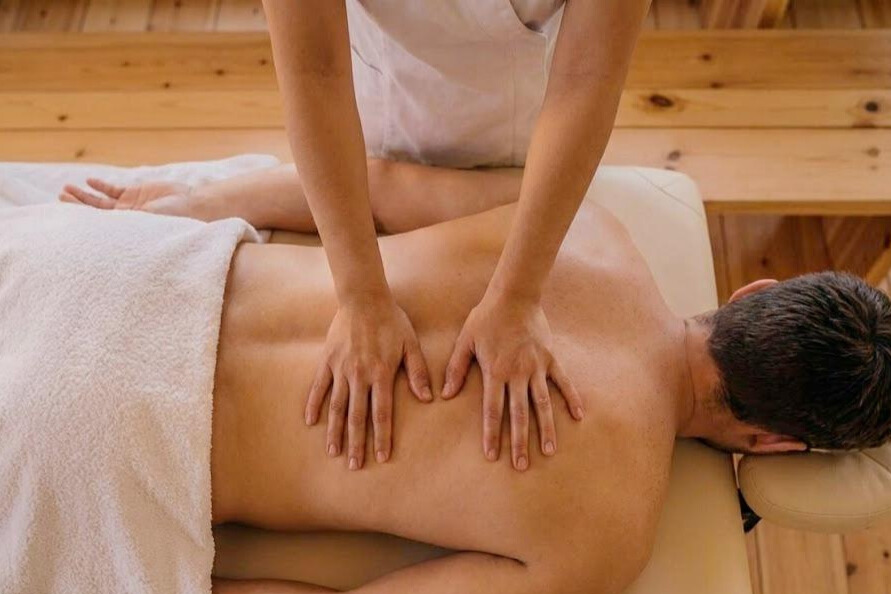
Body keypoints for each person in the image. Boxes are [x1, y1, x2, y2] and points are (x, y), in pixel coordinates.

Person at [53, 163, 891, 594]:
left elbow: (375, 184)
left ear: (754, 293)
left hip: (116, 267)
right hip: (89, 446)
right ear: (774, 441)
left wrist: (166, 206)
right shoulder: (607, 537)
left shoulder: (586, 229)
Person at [250, 0, 651, 468]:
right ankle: (206, 199)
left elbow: (586, 77)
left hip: (527, 132)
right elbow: (314, 70)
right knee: (383, 186)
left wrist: (518, 296)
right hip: (382, 100)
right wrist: (359, 297)